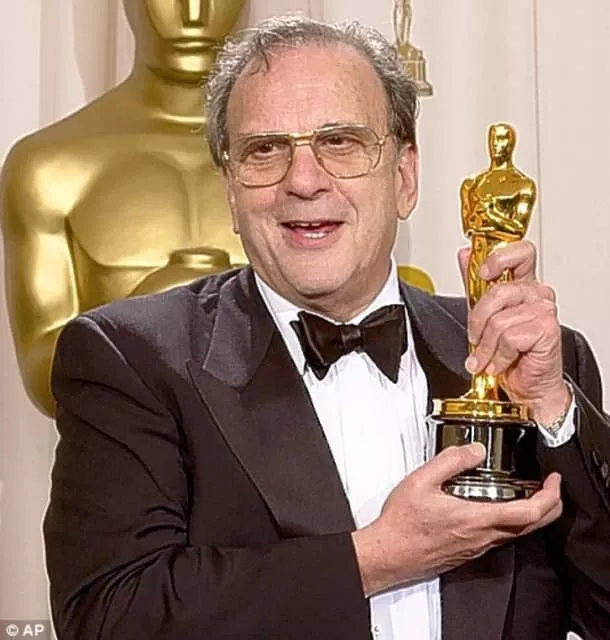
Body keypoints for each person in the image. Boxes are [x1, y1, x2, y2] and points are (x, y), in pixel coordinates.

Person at [44, 14, 610, 640]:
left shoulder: (536, 363)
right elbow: (110, 615)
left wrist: (553, 410)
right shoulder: (130, 359)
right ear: (230, 191)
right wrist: (379, 556)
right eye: (265, 150)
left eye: (341, 142)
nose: (304, 181)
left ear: (404, 177)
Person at [0, 0, 245, 416]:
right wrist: (155, 311)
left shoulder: (299, 164)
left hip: (282, 453)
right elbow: (44, 373)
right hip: (120, 450)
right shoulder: (50, 166)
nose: (194, 12)